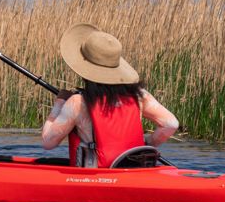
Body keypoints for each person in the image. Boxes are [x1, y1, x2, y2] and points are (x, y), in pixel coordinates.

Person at [42, 24, 179, 167]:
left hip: (95, 177)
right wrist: (146, 145)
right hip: (134, 170)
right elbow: (171, 124)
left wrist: (60, 102)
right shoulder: (139, 96)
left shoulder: (77, 102)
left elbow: (48, 142)